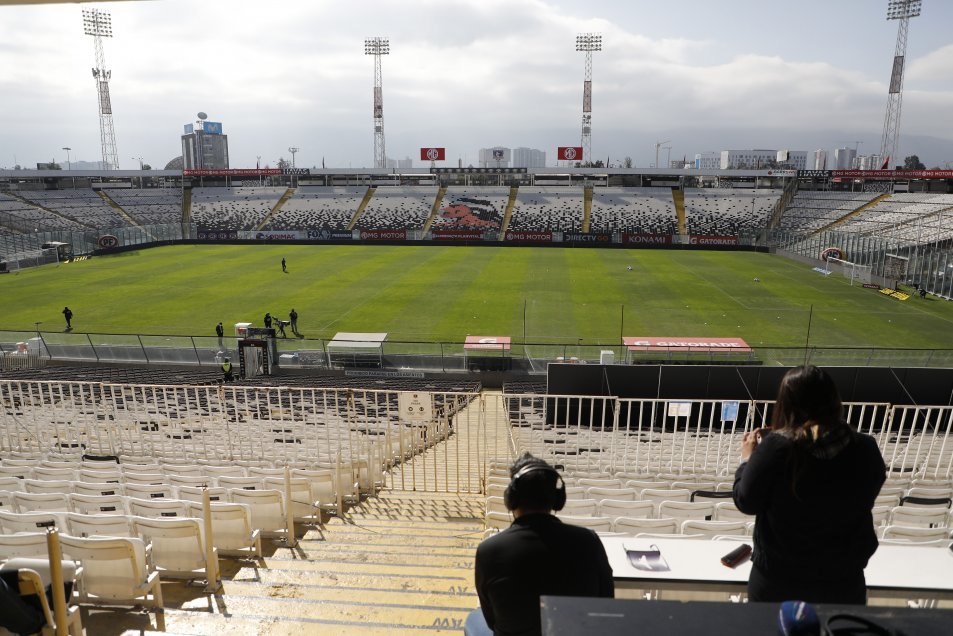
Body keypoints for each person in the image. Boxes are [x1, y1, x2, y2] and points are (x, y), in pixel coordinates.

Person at [732, 365, 886, 605]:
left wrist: (748, 457)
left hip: (778, 582)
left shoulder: (776, 448)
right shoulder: (865, 448)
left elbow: (746, 500)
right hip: (843, 583)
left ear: (787, 404)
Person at [470, 454, 614, 635]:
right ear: (557, 500)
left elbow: (492, 620)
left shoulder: (488, 551)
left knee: (474, 619)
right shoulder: (589, 541)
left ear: (511, 499)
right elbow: (606, 602)